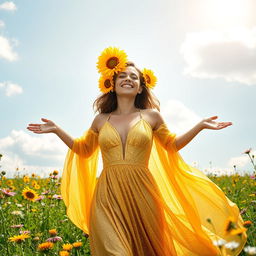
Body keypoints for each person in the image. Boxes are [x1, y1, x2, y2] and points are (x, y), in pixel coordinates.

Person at [27, 47, 247, 256]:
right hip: (107, 194)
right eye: (122, 76)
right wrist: (57, 130)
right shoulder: (101, 120)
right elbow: (83, 149)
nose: (128, 79)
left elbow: (171, 145)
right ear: (112, 84)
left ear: (141, 87)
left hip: (143, 192)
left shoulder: (151, 116)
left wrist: (199, 126)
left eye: (134, 77)